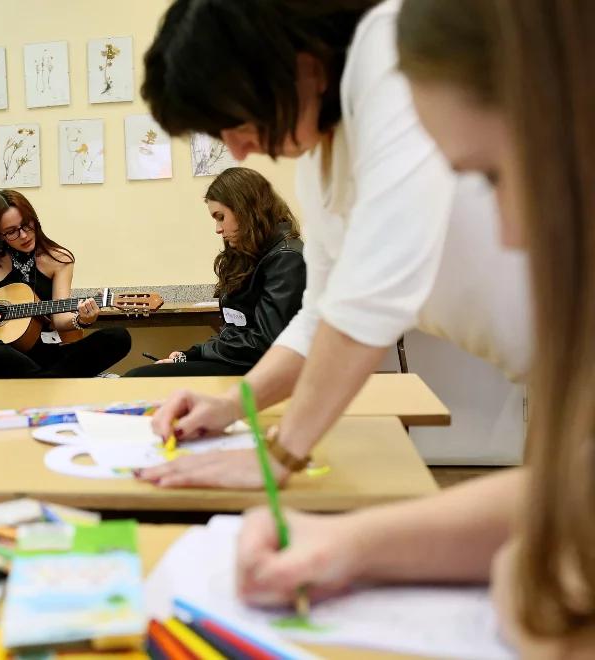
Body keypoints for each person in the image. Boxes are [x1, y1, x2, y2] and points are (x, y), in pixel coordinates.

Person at [236, 0, 595, 655]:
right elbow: (566, 500)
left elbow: (552, 589)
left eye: (491, 175)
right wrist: (344, 543)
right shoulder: (323, 167)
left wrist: (282, 456)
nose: (511, 236)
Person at [136, 0, 531, 489]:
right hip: (550, 374)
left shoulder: (388, 54)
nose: (238, 150)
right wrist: (232, 405)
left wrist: (280, 454)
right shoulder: (318, 158)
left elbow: (370, 300)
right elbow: (320, 316)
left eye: (237, 122)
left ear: (298, 70)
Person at [0, 190, 131, 379]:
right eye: (11, 231)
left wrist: (83, 320)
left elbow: (60, 321)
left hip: (50, 353)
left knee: (118, 337)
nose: (23, 235)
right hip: (7, 356)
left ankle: (42, 381)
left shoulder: (59, 259)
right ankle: (50, 381)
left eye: (26, 225)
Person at [125, 167, 304, 378]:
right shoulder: (251, 253)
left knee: (138, 378)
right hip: (243, 363)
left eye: (221, 217)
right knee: (141, 377)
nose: (218, 229)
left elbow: (263, 343)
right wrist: (189, 355)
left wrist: (200, 353)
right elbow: (236, 332)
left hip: (262, 371)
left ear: (246, 209)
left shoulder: (287, 257)